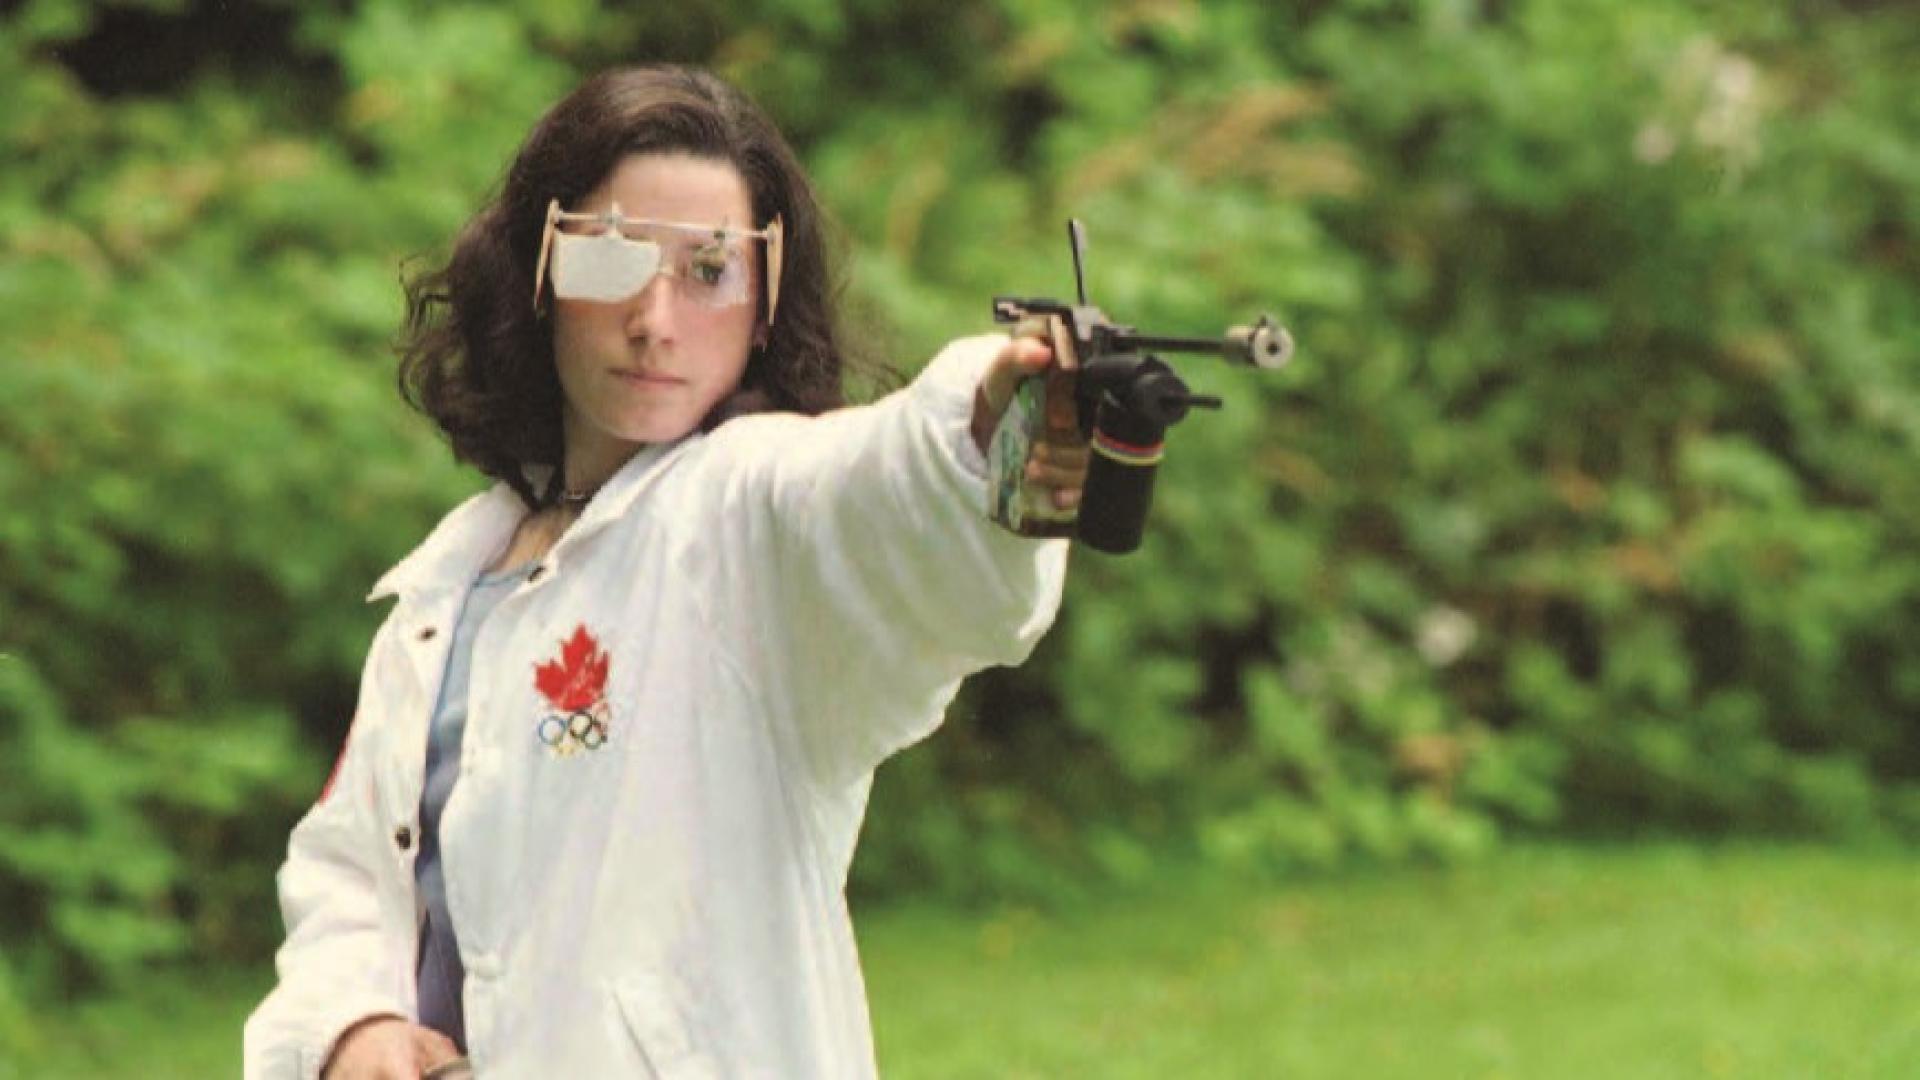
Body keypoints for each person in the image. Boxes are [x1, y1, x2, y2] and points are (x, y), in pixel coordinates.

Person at [242, 64, 1088, 1079]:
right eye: (610, 259)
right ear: (540, 274)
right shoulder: (444, 589)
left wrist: (988, 421)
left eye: (711, 269)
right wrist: (353, 1027)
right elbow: (348, 870)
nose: (655, 315)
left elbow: (882, 493)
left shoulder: (749, 524)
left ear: (766, 298)